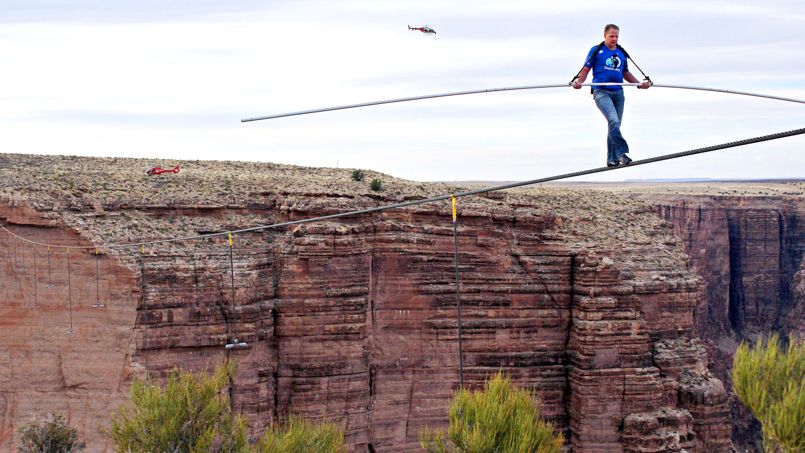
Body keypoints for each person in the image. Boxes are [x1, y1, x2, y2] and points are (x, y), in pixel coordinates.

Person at [572, 24, 650, 167]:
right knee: (613, 120)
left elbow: (625, 73)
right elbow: (585, 69)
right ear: (605, 36)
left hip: (618, 93)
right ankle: (621, 153)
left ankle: (611, 159)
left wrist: (639, 84)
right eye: (611, 36)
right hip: (601, 92)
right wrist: (579, 82)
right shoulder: (597, 50)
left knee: (615, 125)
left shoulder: (621, 52)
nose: (614, 39)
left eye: (617, 36)